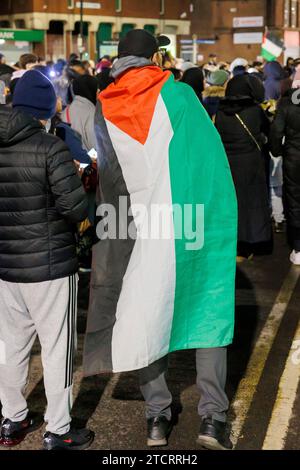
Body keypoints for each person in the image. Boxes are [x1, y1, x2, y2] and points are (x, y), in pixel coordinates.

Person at [83, 28, 237, 451]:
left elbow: (109, 176)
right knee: (207, 309)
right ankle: (213, 419)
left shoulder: (105, 105)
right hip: (188, 222)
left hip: (133, 227)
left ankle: (157, 416)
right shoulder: (181, 96)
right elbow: (209, 162)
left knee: (146, 312)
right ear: (156, 58)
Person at [0, 70, 94, 450]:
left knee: (10, 345)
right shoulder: (50, 147)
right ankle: (58, 429)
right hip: (51, 266)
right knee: (57, 348)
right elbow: (75, 208)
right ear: (44, 108)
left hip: (6, 266)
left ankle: (12, 418)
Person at [215, 74, 271, 260]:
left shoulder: (221, 111)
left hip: (228, 164)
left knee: (233, 203)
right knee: (252, 203)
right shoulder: (255, 111)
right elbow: (267, 131)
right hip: (251, 163)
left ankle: (234, 243)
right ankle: (251, 243)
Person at [270, 70, 300, 264]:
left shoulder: (287, 104)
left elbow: (276, 132)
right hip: (292, 155)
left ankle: (298, 248)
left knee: (295, 200)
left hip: (293, 158)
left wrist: (278, 151)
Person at [61, 74, 98, 152]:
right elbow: (96, 145)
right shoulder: (92, 112)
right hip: (88, 161)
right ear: (91, 89)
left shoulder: (65, 112)